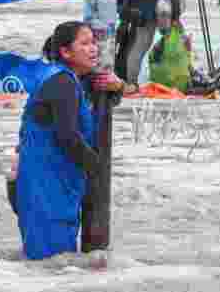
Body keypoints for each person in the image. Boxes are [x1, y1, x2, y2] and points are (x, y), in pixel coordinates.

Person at [7, 21, 129, 260]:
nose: (93, 48)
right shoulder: (61, 83)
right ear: (65, 52)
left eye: (94, 42)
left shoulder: (63, 77)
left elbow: (97, 102)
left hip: (50, 184)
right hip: (47, 186)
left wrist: (119, 86)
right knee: (51, 265)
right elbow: (68, 136)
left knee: (53, 263)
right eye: (84, 43)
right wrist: (97, 169)